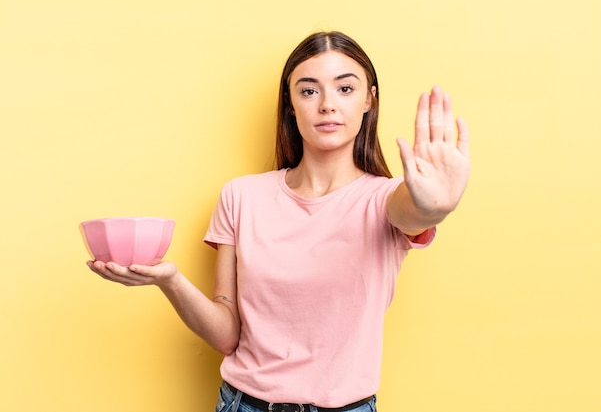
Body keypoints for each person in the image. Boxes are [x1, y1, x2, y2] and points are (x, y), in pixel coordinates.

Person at [87, 31, 470, 412]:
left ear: (370, 99)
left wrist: (435, 206)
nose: (327, 105)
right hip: (242, 405)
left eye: (345, 89)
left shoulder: (385, 198)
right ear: (290, 104)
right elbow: (226, 336)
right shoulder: (241, 196)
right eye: (308, 91)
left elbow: (413, 212)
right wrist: (170, 280)